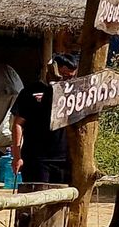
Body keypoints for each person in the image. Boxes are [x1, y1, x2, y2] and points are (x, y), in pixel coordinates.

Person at [10, 53, 79, 185]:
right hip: (36, 158)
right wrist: (17, 156)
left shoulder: (73, 93)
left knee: (60, 202)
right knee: (36, 200)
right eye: (63, 76)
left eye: (70, 77)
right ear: (53, 70)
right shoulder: (31, 91)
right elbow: (18, 124)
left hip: (63, 159)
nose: (65, 80)